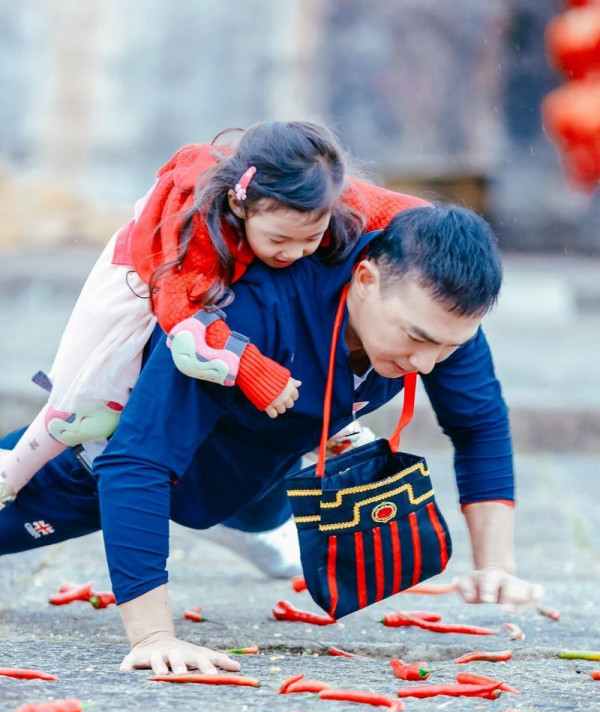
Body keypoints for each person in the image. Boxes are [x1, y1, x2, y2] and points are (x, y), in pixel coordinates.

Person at [0, 203, 543, 675]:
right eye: (416, 339)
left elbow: (479, 426)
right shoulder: (247, 312)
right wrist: (152, 637)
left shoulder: (440, 317)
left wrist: (496, 565)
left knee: (248, 506)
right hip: (113, 450)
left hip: (265, 461)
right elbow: (135, 461)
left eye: (447, 347)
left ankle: (240, 514)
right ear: (366, 279)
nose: (425, 364)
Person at [0, 121, 425, 511]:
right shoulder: (200, 227)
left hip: (228, 287)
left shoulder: (321, 195)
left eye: (310, 238)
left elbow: (416, 217)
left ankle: (326, 425)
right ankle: (12, 472)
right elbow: (183, 323)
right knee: (91, 395)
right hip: (151, 282)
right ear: (241, 207)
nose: (294, 253)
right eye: (279, 239)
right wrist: (255, 371)